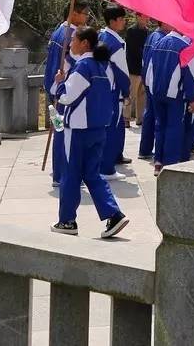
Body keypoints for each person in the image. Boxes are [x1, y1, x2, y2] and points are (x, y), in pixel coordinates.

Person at [50, 27, 129, 239]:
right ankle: (113, 214)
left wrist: (59, 84)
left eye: (74, 39)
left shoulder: (83, 66)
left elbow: (67, 96)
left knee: (71, 174)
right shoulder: (101, 67)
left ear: (85, 43)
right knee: (92, 174)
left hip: (78, 130)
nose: (71, 43)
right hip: (98, 129)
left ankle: (67, 220)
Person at [45, 0, 90, 187]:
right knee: (64, 133)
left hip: (53, 89)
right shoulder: (71, 35)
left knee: (59, 131)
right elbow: (75, 62)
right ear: (74, 13)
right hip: (63, 92)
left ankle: (59, 174)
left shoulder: (58, 31)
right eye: (85, 13)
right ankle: (63, 175)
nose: (87, 16)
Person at [149, 25, 194, 173]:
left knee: (160, 126)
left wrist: (151, 89)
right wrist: (193, 97)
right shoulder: (183, 47)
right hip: (175, 95)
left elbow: (150, 68)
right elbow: (188, 74)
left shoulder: (158, 43)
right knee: (174, 128)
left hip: (157, 91)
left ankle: (158, 161)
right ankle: (170, 164)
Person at [99, 6, 131, 179]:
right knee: (111, 130)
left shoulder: (101, 36)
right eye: (121, 18)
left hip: (102, 89)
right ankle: (106, 169)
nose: (124, 21)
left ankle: (101, 165)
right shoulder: (114, 43)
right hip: (113, 92)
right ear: (113, 21)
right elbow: (122, 72)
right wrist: (127, 91)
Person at [137, 20, 165, 160]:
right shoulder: (160, 39)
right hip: (154, 81)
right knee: (155, 117)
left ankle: (145, 149)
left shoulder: (152, 36)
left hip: (148, 80)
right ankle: (150, 150)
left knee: (150, 115)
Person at [124, 17, 150, 126]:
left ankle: (140, 118)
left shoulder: (148, 32)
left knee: (142, 94)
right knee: (130, 94)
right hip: (133, 67)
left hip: (144, 69)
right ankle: (126, 118)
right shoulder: (131, 31)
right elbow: (132, 49)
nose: (145, 19)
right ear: (138, 17)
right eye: (143, 16)